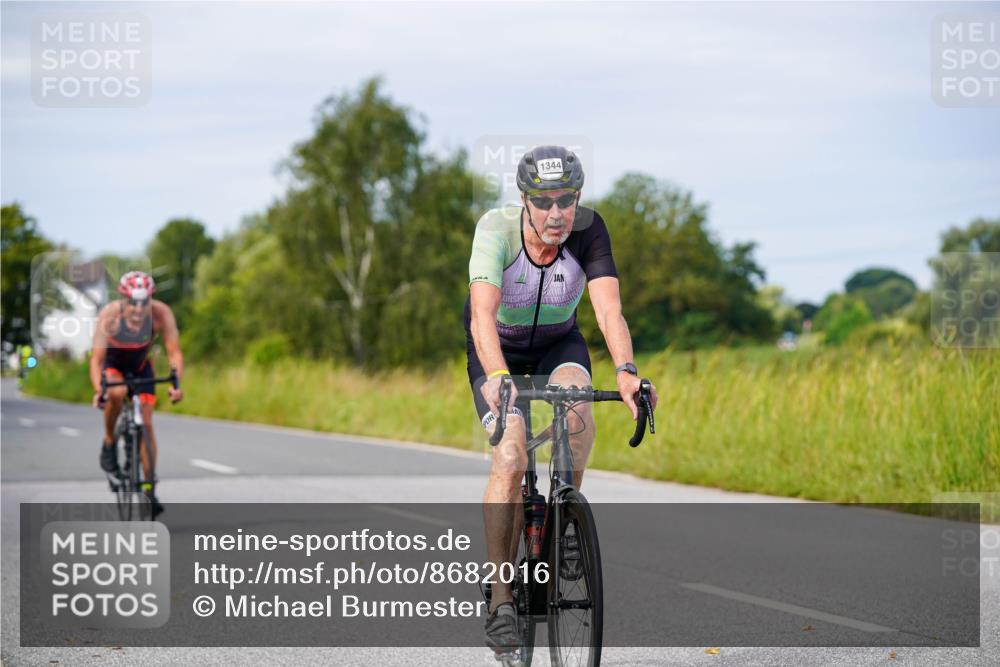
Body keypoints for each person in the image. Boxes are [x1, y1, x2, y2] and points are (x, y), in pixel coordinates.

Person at [466, 146, 658, 653]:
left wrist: (625, 371)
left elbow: (608, 311)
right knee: (510, 455)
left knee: (577, 411)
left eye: (567, 200)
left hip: (558, 343)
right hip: (498, 349)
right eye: (545, 202)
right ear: (525, 200)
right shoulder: (496, 231)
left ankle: (566, 520)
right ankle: (501, 597)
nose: (557, 214)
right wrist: (497, 376)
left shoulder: (590, 231)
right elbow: (481, 316)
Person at [90, 271, 184, 516]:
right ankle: (109, 442)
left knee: (147, 420)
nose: (139, 309)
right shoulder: (109, 316)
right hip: (113, 365)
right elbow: (96, 360)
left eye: (145, 302)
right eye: (133, 302)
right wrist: (99, 389)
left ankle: (149, 489)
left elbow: (174, 353)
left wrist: (176, 384)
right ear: (123, 300)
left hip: (141, 367)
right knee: (118, 393)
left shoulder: (161, 314)